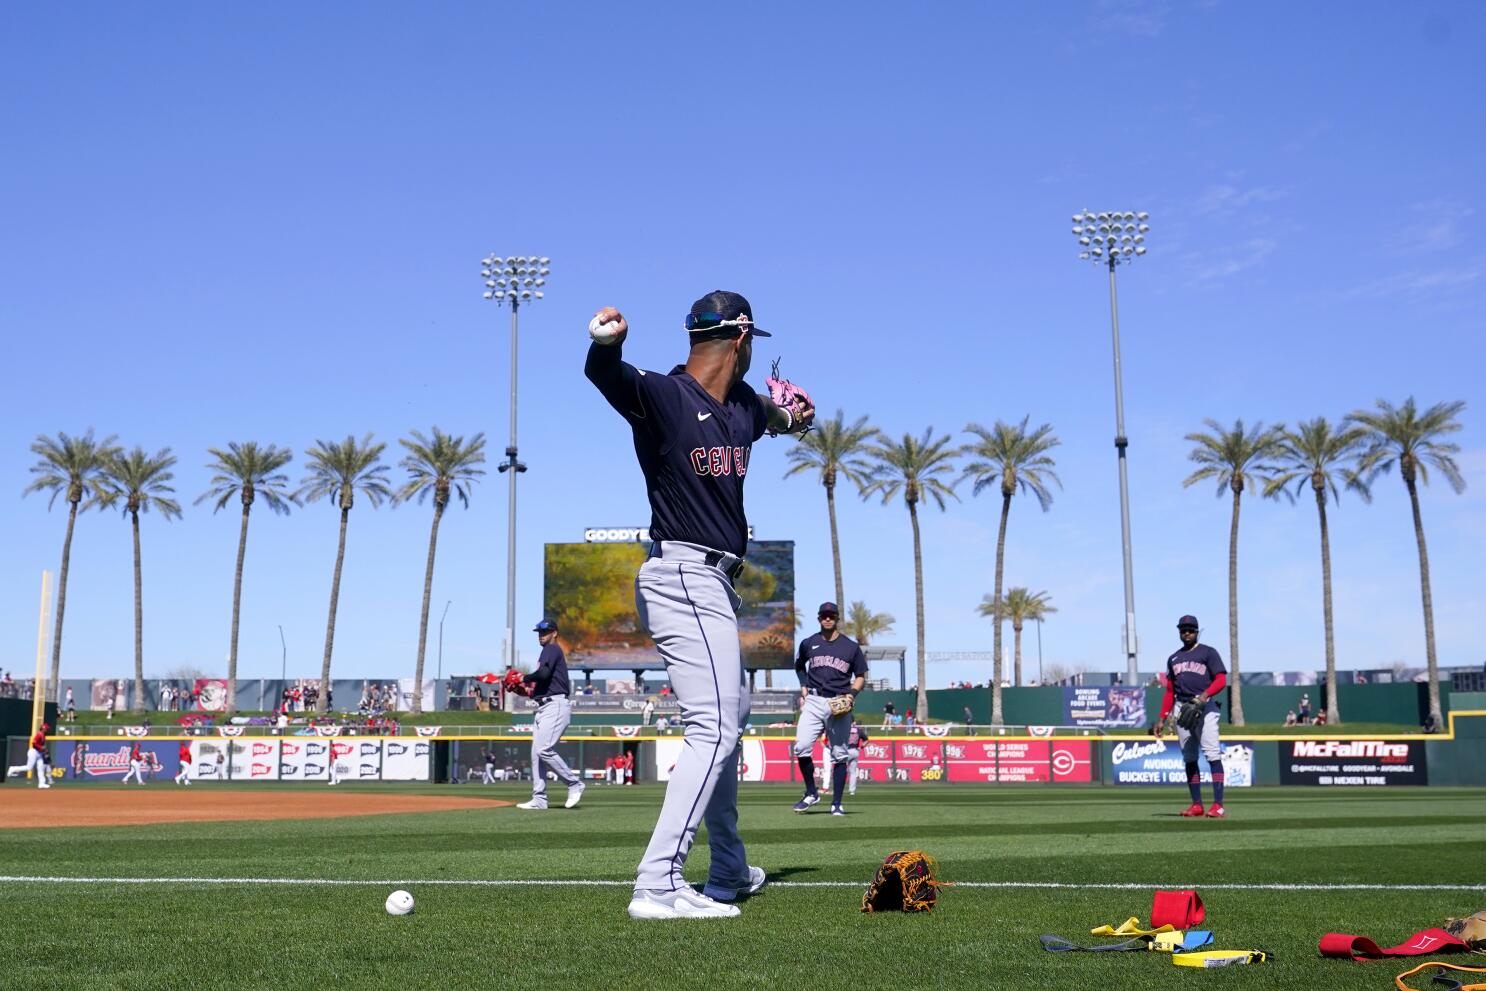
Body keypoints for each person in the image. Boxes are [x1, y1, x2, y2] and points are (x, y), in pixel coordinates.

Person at [586, 291, 813, 920]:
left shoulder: (742, 405)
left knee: (727, 717)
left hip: (716, 584)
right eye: (751, 345)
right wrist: (608, 343)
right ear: (742, 341)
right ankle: (656, 884)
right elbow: (606, 376)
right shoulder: (663, 395)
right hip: (682, 572)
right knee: (713, 726)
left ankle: (729, 870)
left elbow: (782, 416)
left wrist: (800, 415)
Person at [792, 602, 868, 816]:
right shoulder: (809, 643)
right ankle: (811, 792)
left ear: (837, 618)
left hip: (839, 703)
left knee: (839, 754)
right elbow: (799, 666)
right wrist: (803, 686)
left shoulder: (851, 647)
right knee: (802, 747)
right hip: (814, 701)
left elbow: (861, 675)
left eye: (831, 616)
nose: (827, 619)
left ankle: (836, 804)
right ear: (819, 618)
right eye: (824, 615)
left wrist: (852, 695)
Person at [1152, 615, 1229, 819]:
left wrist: (1204, 696)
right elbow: (1169, 691)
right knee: (1189, 758)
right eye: (1183, 629)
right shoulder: (1173, 658)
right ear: (1179, 632)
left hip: (1205, 706)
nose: (1186, 633)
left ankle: (1218, 805)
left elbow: (1221, 680)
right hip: (1181, 706)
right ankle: (1197, 805)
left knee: (1212, 754)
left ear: (1197, 631)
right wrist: (1162, 717)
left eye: (1190, 630)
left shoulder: (1208, 652)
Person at [514, 620, 585, 811]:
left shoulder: (552, 649)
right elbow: (544, 683)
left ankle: (574, 783)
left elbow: (543, 674)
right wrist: (526, 691)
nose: (541, 635)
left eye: (545, 631)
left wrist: (524, 677)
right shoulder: (547, 651)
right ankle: (539, 799)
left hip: (555, 705)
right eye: (539, 632)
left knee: (544, 749)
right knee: (536, 754)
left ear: (555, 633)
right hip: (545, 706)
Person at [846, 719, 869, 797]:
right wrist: (861, 747)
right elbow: (866, 740)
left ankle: (839, 789)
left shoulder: (845, 729)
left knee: (841, 770)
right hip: (855, 751)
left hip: (846, 751)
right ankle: (852, 791)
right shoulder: (859, 730)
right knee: (853, 772)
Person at [26, 723, 52, 789]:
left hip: (38, 753)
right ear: (43, 728)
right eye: (46, 728)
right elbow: (34, 743)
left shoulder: (43, 735)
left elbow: (41, 746)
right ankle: (13, 769)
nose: (47, 730)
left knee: (40, 768)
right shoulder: (39, 734)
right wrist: (41, 747)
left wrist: (44, 750)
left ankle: (41, 783)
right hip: (33, 752)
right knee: (29, 768)